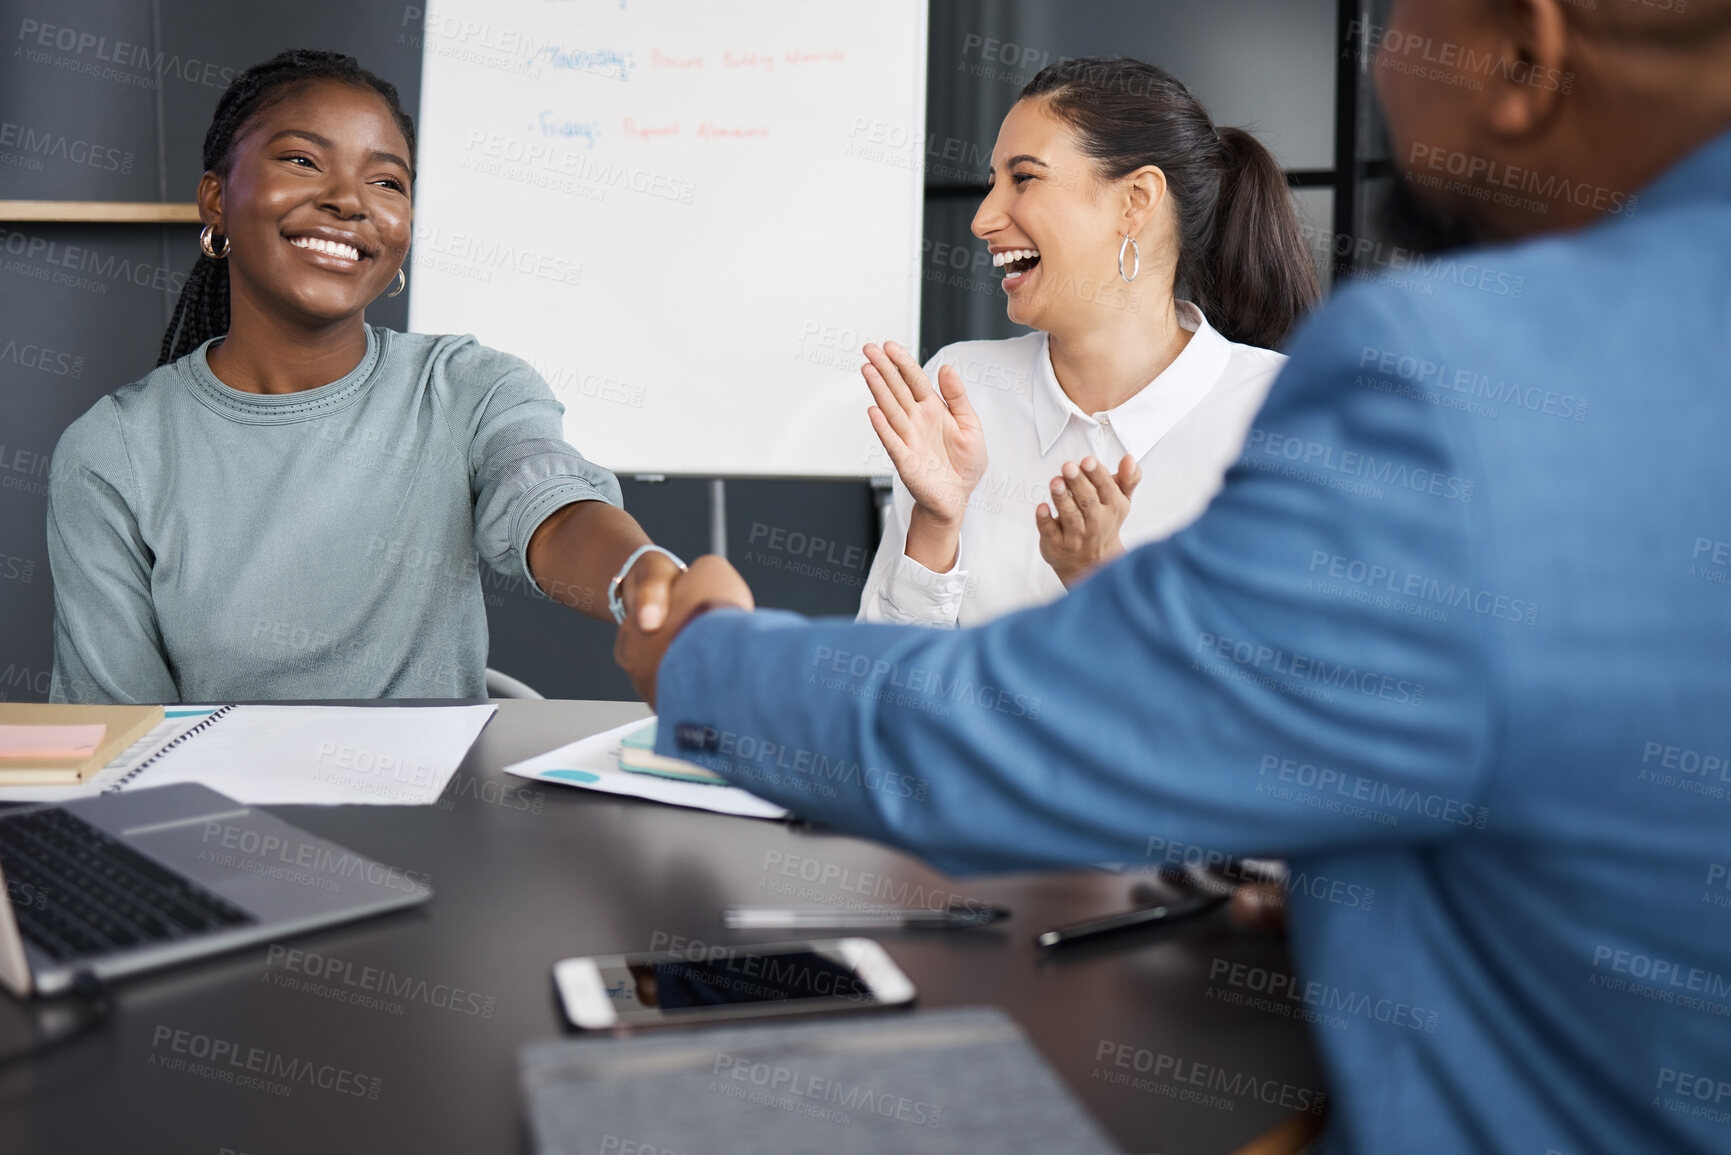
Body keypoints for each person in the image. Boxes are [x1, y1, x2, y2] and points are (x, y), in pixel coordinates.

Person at [617, 1, 1731, 1151]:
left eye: (1399, 20)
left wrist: (703, 658)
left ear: (1526, 52)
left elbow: (1060, 726)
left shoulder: (1439, 383)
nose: (1389, 64)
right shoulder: (972, 382)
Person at [46, 50, 718, 704]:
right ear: (216, 199)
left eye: (387, 181)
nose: (348, 200)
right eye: (302, 160)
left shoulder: (468, 388)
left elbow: (550, 504)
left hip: (436, 813)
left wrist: (638, 577)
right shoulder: (114, 449)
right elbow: (119, 735)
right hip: (207, 813)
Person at [858, 57, 1318, 627]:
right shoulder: (964, 387)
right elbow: (883, 686)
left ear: (1136, 201)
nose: (982, 219)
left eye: (1024, 178)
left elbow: (1273, 699)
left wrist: (1098, 574)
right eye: (992, 183)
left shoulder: (1282, 414)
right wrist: (936, 523)